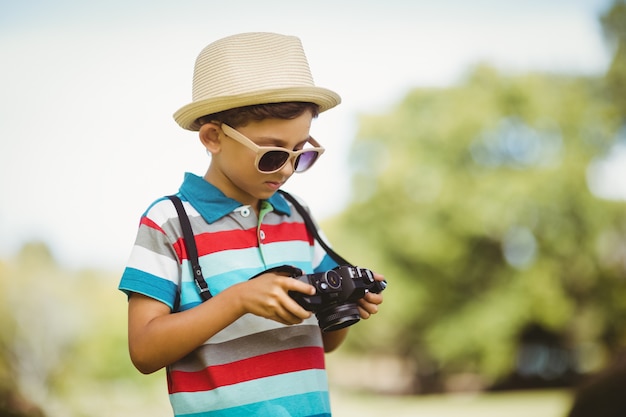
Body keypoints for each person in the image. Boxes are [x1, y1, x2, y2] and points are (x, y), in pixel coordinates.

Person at [118, 32, 385, 417]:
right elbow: (143, 351)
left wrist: (346, 301)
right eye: (273, 155)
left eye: (301, 153)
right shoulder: (169, 222)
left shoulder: (298, 213)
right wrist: (238, 299)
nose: (289, 169)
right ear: (212, 137)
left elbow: (326, 343)